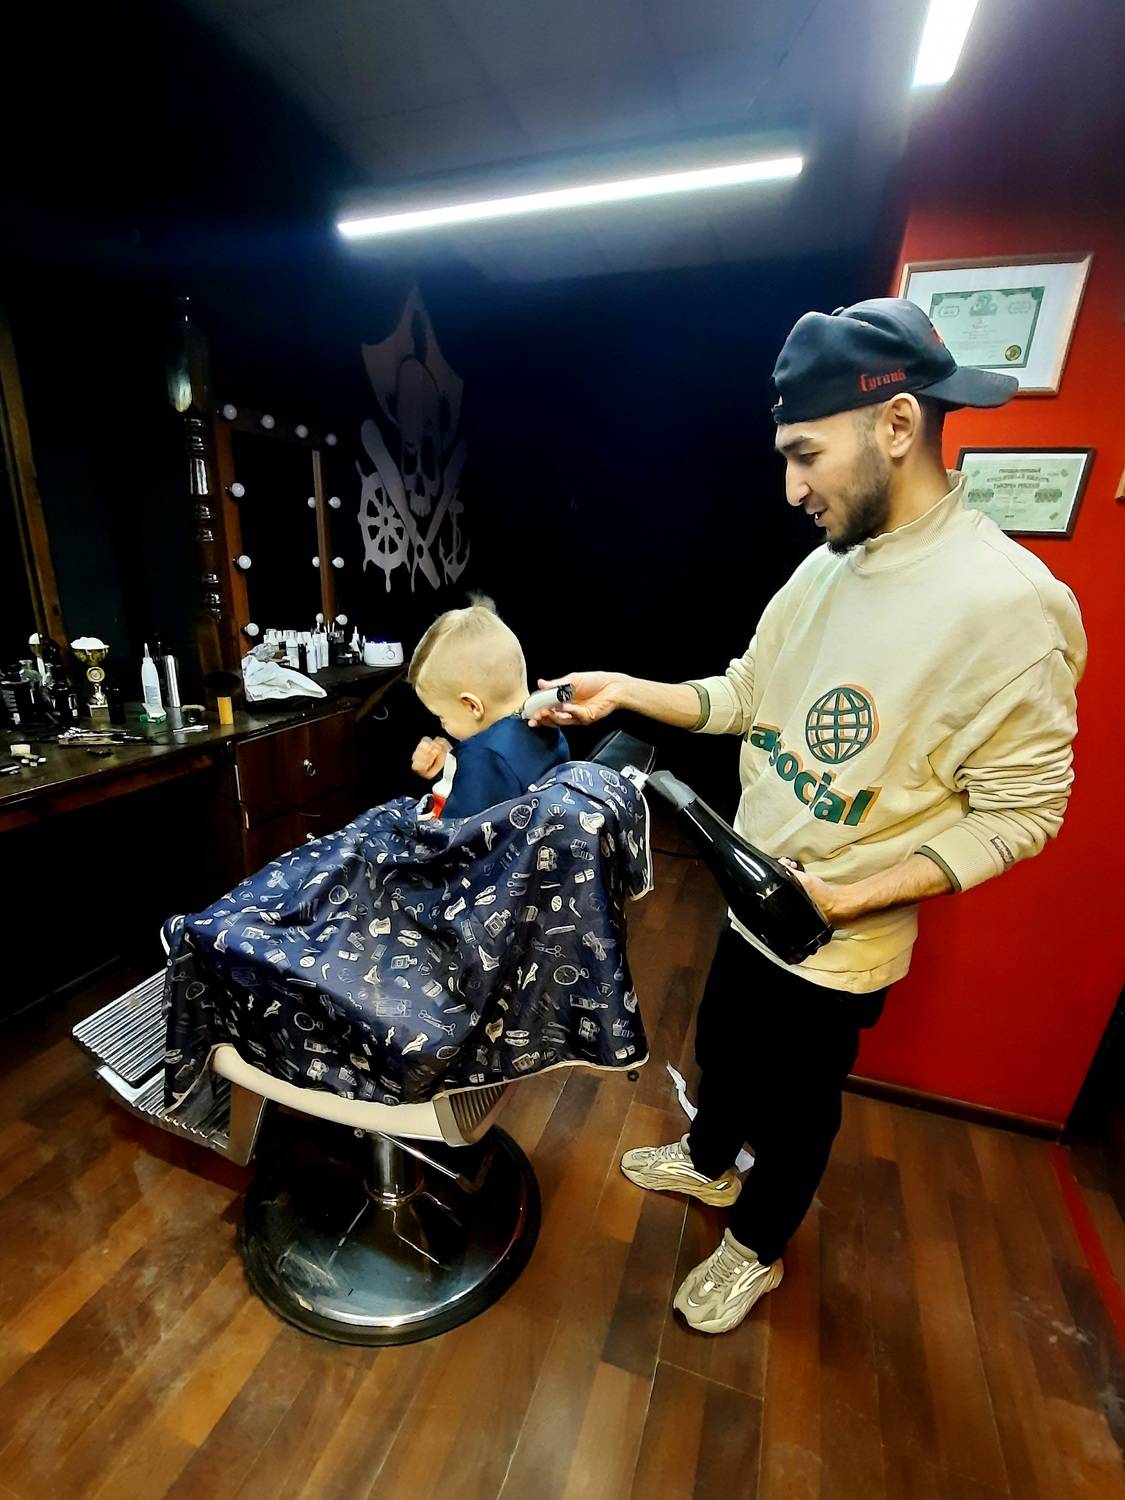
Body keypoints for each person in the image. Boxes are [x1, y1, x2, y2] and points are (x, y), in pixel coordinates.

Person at [530, 298, 1087, 1335]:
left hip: (835, 938)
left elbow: (1021, 814)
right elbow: (749, 693)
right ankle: (707, 1162)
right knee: (723, 1048)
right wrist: (627, 690)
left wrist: (849, 896)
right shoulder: (828, 565)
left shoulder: (1011, 606)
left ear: (896, 424)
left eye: (804, 455)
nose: (791, 488)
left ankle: (756, 1248)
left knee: (794, 1108)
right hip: (751, 892)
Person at [409, 595, 569, 820]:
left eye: (442, 717)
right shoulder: (546, 724)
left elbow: (456, 832)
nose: (443, 726)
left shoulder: (483, 758)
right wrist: (449, 770)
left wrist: (450, 779)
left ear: (472, 706)